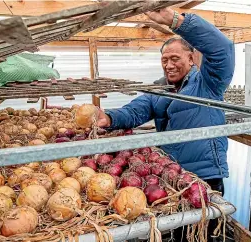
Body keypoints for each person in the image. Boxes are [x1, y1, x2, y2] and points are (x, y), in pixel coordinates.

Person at [97, 7, 235, 242]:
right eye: (164, 60)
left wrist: (178, 21)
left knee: (207, 233)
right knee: (179, 232)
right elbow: (136, 110)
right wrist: (108, 118)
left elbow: (223, 49)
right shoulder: (160, 89)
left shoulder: (208, 83)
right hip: (172, 177)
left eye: (175, 59)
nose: (168, 65)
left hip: (203, 177)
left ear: (191, 59)